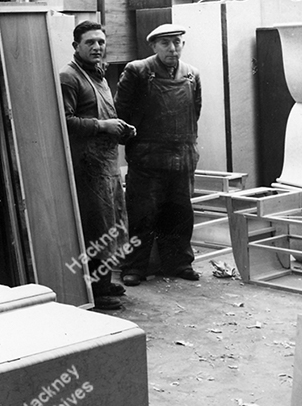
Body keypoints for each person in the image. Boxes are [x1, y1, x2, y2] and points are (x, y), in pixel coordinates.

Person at [116, 23, 202, 284]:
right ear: (153, 46)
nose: (172, 48)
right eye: (165, 43)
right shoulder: (138, 71)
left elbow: (194, 113)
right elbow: (122, 112)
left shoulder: (192, 75)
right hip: (147, 158)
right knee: (142, 216)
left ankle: (178, 264)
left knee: (180, 215)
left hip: (182, 157)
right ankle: (135, 267)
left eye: (176, 42)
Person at [59, 22, 135, 311]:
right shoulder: (69, 77)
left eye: (101, 42)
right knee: (96, 226)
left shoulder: (99, 75)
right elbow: (64, 122)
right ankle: (97, 290)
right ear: (76, 46)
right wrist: (103, 125)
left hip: (106, 163)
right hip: (86, 166)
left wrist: (122, 129)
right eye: (90, 42)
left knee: (113, 221)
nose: (97, 47)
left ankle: (104, 280)